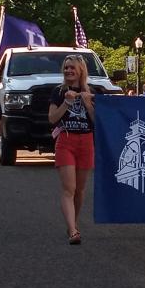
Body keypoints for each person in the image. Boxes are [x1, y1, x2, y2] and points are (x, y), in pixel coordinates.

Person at [48, 55, 96, 244]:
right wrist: (66, 102)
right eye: (66, 68)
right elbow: (52, 118)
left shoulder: (90, 92)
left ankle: (72, 225)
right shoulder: (58, 92)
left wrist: (88, 103)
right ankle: (73, 231)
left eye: (72, 68)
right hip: (66, 140)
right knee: (69, 188)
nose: (68, 71)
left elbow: (97, 121)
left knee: (80, 190)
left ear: (80, 71)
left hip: (86, 141)